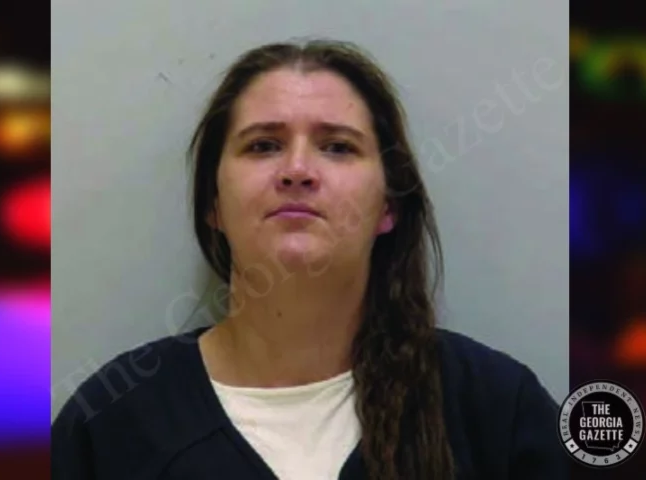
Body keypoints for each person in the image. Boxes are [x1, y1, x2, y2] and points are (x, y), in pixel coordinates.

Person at [52, 39, 567, 480]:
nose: (297, 169)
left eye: (338, 147)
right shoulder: (112, 422)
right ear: (213, 204)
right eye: (263, 145)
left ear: (388, 206)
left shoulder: (496, 409)